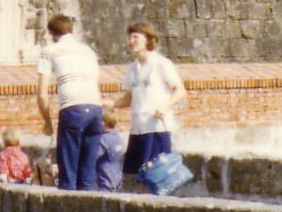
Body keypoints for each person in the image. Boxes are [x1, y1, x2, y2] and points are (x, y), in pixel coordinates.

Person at [35, 14, 104, 191]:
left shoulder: (50, 51)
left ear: (51, 33)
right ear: (71, 30)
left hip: (73, 108)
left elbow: (42, 95)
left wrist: (47, 122)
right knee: (88, 172)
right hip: (95, 108)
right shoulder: (88, 51)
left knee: (68, 170)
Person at [113, 20, 187, 182]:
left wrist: (165, 106)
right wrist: (109, 104)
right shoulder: (132, 68)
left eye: (135, 38)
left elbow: (180, 90)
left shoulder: (161, 63)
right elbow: (129, 98)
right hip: (138, 128)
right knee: (140, 176)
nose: (130, 42)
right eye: (130, 38)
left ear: (147, 39)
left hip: (156, 127)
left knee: (158, 176)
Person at [95, 109, 125, 192]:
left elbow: (93, 156)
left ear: (103, 123)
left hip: (105, 178)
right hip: (118, 178)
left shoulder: (104, 139)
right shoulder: (118, 137)